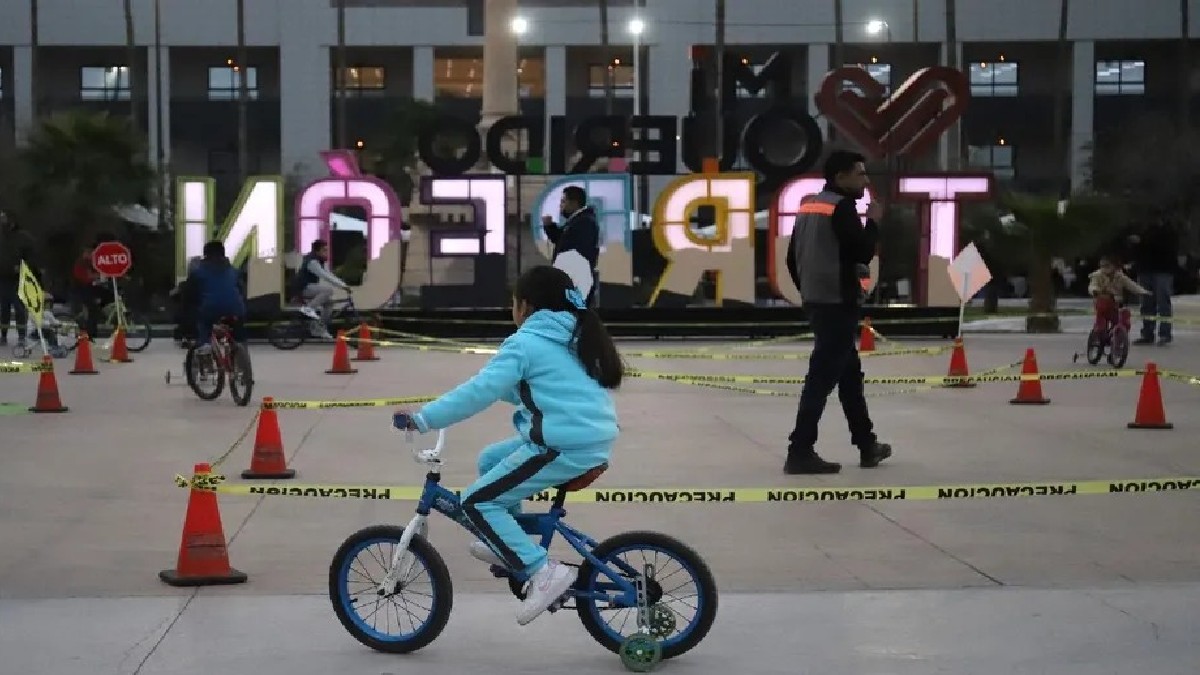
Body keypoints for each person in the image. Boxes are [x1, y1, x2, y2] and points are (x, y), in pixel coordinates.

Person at [393, 265, 623, 625]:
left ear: (525, 306)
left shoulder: (526, 342)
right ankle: (509, 545)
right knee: (491, 459)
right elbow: (530, 388)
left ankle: (542, 571)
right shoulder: (569, 336)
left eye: (512, 303)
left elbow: (479, 391)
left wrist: (424, 419)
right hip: (586, 439)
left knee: (475, 501)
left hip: (561, 444)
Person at [783, 150, 892, 475]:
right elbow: (861, 249)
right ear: (840, 177)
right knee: (821, 378)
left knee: (849, 377)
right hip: (837, 302)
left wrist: (808, 289)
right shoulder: (842, 207)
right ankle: (799, 450)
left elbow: (792, 258)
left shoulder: (808, 205)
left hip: (818, 300)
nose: (865, 179)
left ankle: (867, 444)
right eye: (860, 173)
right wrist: (873, 221)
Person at [540, 185, 601, 306]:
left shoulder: (585, 222)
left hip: (575, 281)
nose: (560, 206)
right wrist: (549, 226)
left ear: (574, 203)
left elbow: (576, 251)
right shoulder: (576, 221)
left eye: (563, 201)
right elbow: (560, 239)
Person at [186, 241, 247, 355]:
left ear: (205, 255)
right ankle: (240, 348)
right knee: (239, 332)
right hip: (236, 309)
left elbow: (190, 294)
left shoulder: (198, 272)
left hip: (211, 309)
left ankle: (205, 344)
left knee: (202, 321)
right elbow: (241, 290)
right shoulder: (233, 271)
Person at [1128, 217, 1179, 346]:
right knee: (1146, 303)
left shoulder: (1168, 230)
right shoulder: (1142, 229)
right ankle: (1147, 333)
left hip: (1163, 269)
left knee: (1163, 302)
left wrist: (1142, 241)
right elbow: (1136, 248)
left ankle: (1165, 334)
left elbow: (1166, 246)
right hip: (1146, 268)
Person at [289, 240, 350, 340]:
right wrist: (343, 286)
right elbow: (325, 276)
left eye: (327, 250)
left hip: (308, 287)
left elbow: (329, 274)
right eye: (324, 250)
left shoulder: (319, 260)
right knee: (328, 290)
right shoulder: (312, 262)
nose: (326, 253)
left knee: (329, 303)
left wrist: (343, 285)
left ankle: (319, 328)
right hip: (302, 288)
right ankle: (308, 309)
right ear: (317, 251)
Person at [1088, 256, 1149, 335]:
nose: (1104, 269)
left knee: (1124, 316)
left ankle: (1120, 333)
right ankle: (1099, 332)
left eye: (1107, 266)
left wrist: (1143, 291)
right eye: (1102, 266)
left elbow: (1131, 285)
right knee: (1101, 322)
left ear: (1114, 266)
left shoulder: (1120, 277)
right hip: (1102, 303)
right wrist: (1095, 290)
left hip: (1116, 304)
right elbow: (1093, 285)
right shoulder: (1097, 276)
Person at [0, 212, 33, 348]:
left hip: (18, 279)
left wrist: (22, 266)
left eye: (5, 218)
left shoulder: (23, 237)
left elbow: (32, 256)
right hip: (3, 278)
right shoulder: (2, 237)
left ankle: (22, 336)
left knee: (19, 308)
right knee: (4, 309)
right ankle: (3, 335)